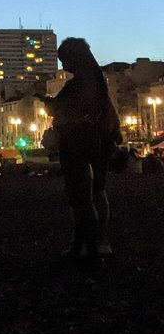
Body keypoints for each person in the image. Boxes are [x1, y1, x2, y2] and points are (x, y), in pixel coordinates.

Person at [38, 37, 120, 268]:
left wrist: (49, 105)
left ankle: (87, 249)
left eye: (64, 60)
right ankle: (90, 246)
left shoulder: (79, 85)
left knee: (80, 198)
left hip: (77, 143)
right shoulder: (96, 82)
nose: (63, 66)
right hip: (93, 143)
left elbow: (66, 110)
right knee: (91, 194)